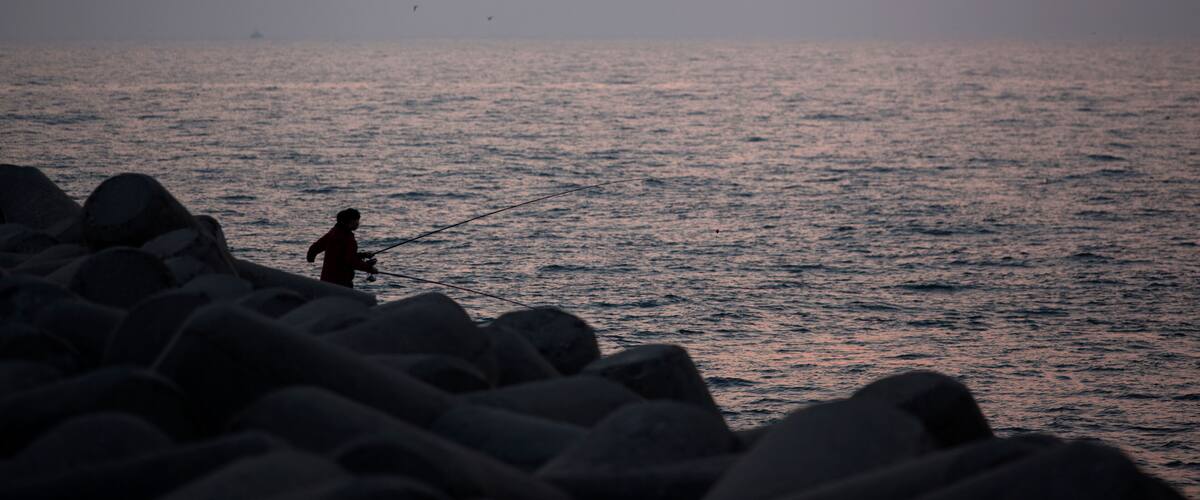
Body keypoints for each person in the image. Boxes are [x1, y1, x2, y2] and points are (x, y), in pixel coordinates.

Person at [307, 208, 378, 288]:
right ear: (350, 221)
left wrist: (362, 255)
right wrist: (370, 268)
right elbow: (350, 261)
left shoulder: (333, 232)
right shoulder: (348, 238)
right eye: (356, 220)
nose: (358, 223)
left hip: (326, 281)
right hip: (341, 283)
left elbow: (314, 248)